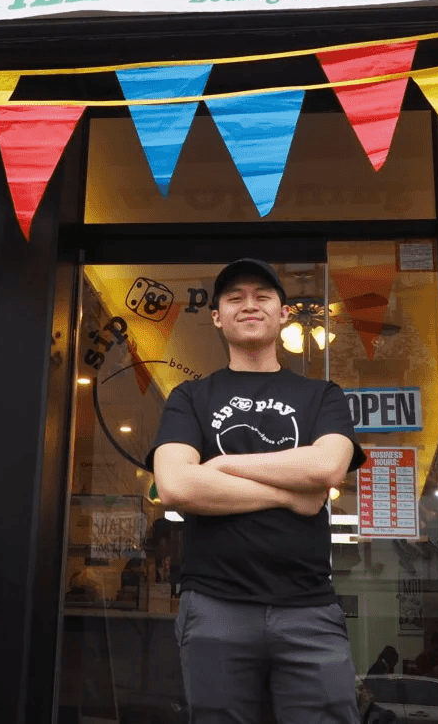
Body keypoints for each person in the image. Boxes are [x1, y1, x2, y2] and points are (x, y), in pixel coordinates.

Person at [149, 258, 367, 724]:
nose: (250, 305)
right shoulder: (189, 398)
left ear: (284, 312)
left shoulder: (322, 395)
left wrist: (224, 464)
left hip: (308, 607)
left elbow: (328, 464)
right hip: (214, 606)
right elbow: (175, 485)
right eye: (234, 298)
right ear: (217, 317)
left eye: (263, 296)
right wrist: (293, 494)